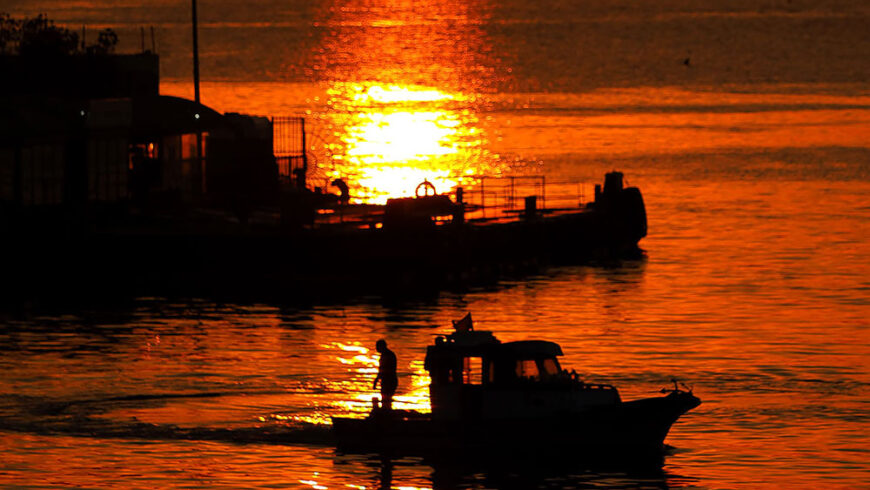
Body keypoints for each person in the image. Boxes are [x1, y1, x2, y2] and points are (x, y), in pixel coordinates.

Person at [372, 339, 398, 410]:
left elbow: (384, 370)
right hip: (388, 380)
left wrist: (377, 380)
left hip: (389, 381)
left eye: (377, 347)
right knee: (386, 401)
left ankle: (386, 416)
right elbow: (382, 370)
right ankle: (386, 415)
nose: (376, 349)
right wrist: (377, 380)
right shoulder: (386, 355)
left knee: (386, 401)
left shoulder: (387, 355)